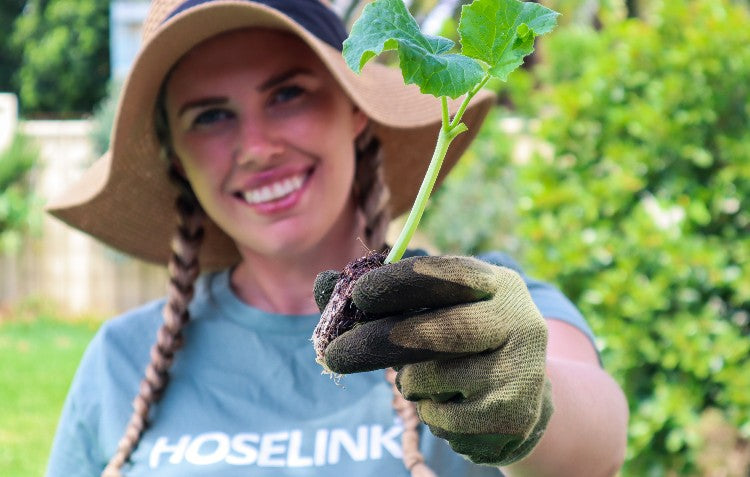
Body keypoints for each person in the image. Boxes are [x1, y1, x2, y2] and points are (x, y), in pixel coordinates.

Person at [45, 0, 628, 476]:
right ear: (176, 156)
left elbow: (599, 441)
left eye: (288, 94)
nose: (257, 147)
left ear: (355, 111)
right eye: (211, 116)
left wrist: (527, 397)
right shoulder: (121, 358)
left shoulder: (479, 307)